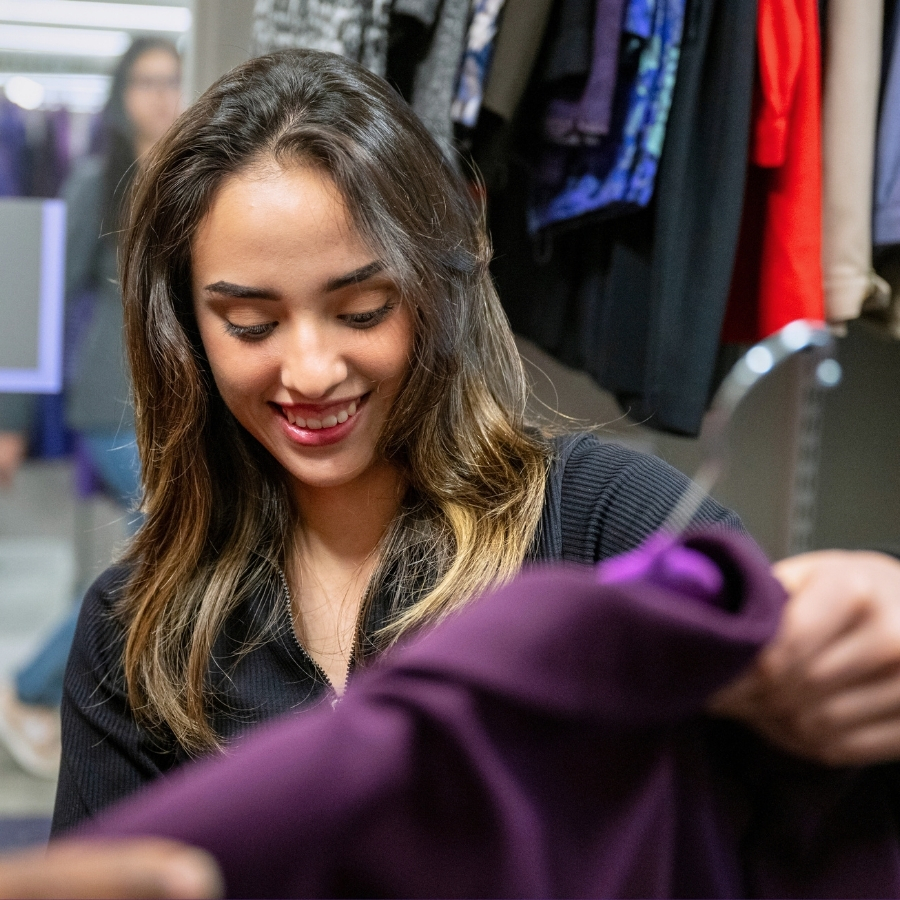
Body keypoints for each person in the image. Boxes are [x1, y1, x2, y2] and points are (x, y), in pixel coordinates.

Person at [52, 47, 744, 831]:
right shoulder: (133, 634)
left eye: (362, 311)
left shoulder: (609, 526)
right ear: (188, 332)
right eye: (252, 325)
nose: (310, 373)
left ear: (433, 289)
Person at [0, 37, 182, 779]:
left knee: (151, 550)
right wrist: (9, 424)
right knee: (162, 546)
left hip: (169, 407)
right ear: (120, 92)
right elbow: (27, 289)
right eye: (145, 82)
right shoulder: (92, 176)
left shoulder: (189, 178)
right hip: (109, 402)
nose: (160, 96)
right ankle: (30, 687)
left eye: (172, 81)